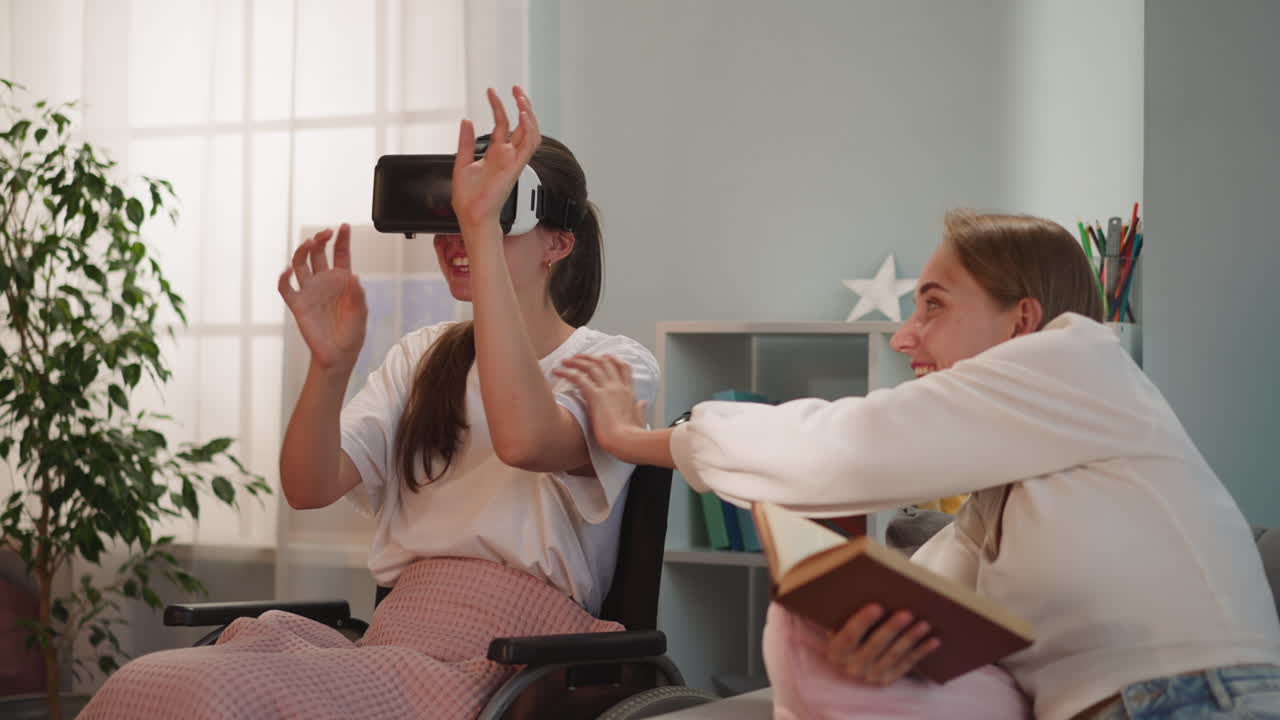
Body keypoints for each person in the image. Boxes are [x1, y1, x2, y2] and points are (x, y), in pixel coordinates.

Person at [554, 210, 1280, 720]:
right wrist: (871, 655)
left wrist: (629, 436)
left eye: (931, 306)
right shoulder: (997, 506)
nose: (905, 337)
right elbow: (931, 611)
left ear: (1022, 321)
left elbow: (843, 445)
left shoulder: (1080, 363)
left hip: (1207, 699)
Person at [79, 86, 658, 720]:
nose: (458, 239)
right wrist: (330, 365)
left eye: (492, 218)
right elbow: (308, 485)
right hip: (395, 637)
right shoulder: (422, 357)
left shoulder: (613, 366)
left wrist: (479, 234)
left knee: (225, 696)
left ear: (558, 243)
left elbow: (524, 439)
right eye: (452, 221)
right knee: (156, 680)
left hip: (509, 660)